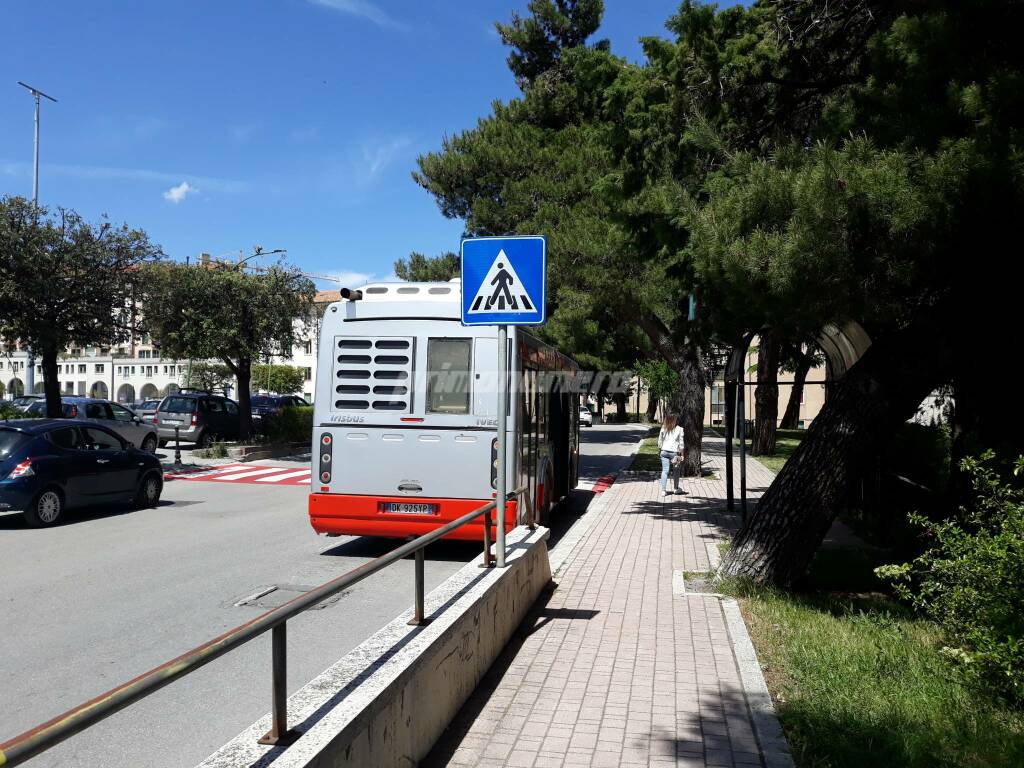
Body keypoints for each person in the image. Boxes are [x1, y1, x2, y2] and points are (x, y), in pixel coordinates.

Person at [657, 412, 686, 497]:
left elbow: (660, 441)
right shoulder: (680, 429)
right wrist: (682, 454)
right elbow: (681, 444)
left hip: (664, 451)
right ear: (675, 420)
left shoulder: (663, 428)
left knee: (665, 470)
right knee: (676, 471)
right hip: (674, 453)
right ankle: (676, 488)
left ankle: (663, 491)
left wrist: (660, 449)